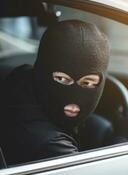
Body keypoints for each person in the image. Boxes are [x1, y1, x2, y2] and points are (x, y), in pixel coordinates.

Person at [0, 20, 112, 166]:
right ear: (42, 71)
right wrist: (124, 138)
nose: (74, 97)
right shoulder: (53, 147)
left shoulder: (17, 84)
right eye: (62, 79)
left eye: (88, 83)